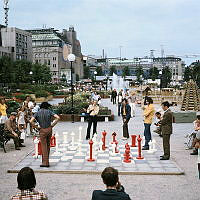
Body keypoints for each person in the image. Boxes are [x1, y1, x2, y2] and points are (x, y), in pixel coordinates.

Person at [30, 102, 60, 167]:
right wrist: (52, 125)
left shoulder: (37, 113)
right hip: (49, 129)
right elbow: (58, 117)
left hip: (42, 130)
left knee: (43, 146)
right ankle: (47, 161)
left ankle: (45, 163)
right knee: (48, 145)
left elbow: (31, 121)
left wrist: (36, 127)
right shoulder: (49, 111)